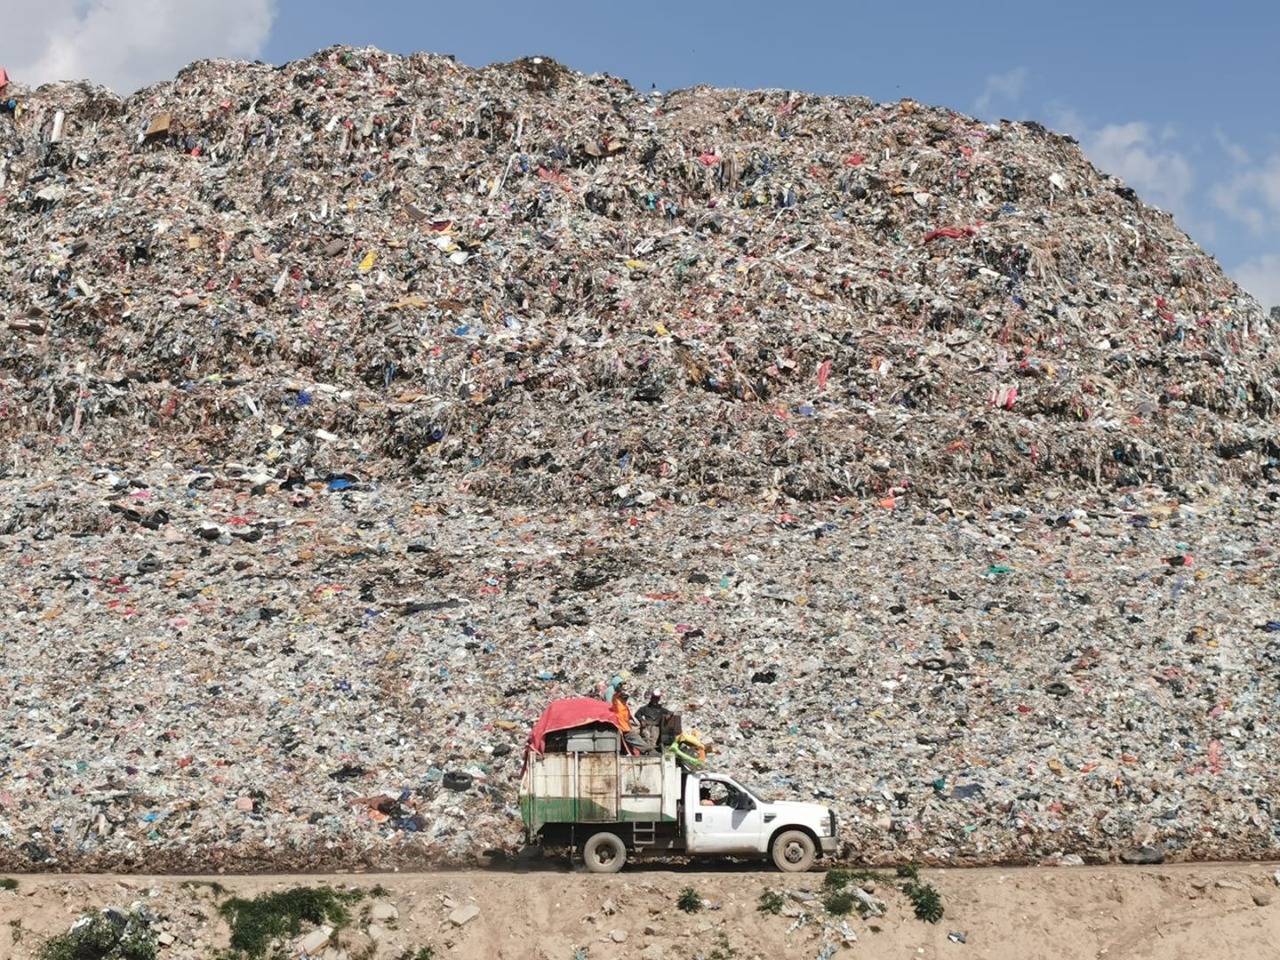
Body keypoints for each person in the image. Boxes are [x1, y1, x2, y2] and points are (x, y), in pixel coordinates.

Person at [611, 687, 647, 754]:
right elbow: (614, 699)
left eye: (626, 698)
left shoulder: (625, 707)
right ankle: (647, 750)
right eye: (624, 698)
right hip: (624, 730)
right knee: (637, 740)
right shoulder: (618, 706)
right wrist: (617, 692)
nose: (625, 700)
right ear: (620, 699)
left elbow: (628, 718)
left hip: (628, 728)